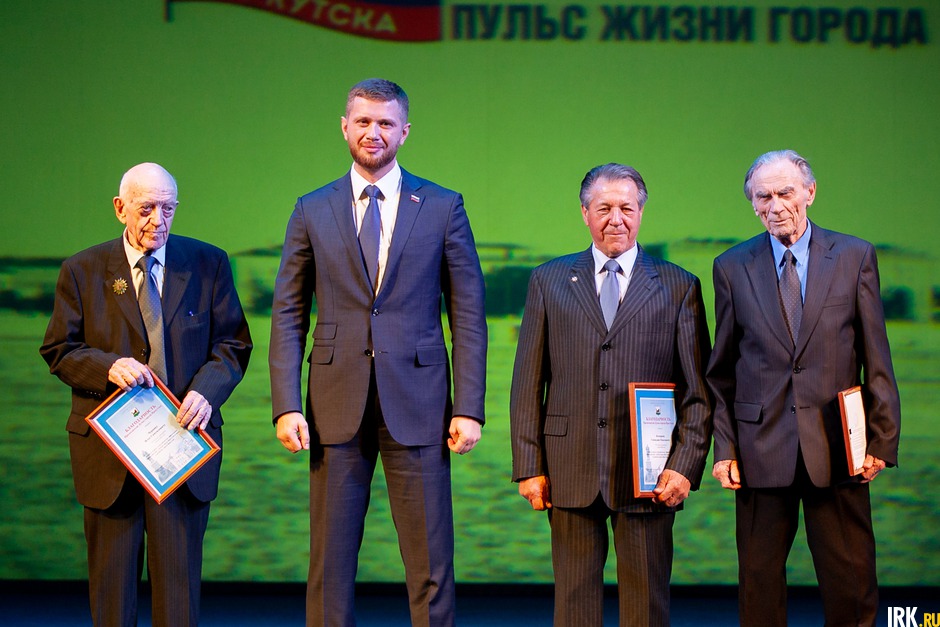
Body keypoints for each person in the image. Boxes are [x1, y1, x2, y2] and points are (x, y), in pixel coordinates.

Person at [269, 78, 487, 627]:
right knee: (331, 563)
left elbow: (467, 314)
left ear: (405, 132)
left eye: (386, 123)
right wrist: (286, 405)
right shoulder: (311, 208)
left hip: (419, 405)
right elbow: (290, 313)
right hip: (334, 406)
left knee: (431, 561)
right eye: (363, 121)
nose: (374, 132)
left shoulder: (442, 206)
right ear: (344, 127)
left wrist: (469, 407)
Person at [40, 162, 253, 626]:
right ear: (120, 209)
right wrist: (107, 367)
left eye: (169, 209)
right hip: (110, 456)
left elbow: (233, 344)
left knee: (178, 601)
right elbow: (59, 349)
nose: (158, 221)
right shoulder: (83, 269)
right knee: (113, 601)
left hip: (181, 449)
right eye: (147, 209)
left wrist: (206, 392)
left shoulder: (208, 263)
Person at [510, 163, 712, 626]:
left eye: (626, 208)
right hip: (568, 470)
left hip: (649, 476)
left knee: (646, 606)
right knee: (574, 605)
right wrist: (529, 466)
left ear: (641, 212)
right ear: (585, 213)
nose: (615, 218)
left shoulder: (680, 286)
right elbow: (527, 383)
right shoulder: (549, 280)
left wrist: (685, 466)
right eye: (604, 208)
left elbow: (698, 393)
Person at [707, 149, 901, 626]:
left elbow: (876, 357)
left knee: (852, 585)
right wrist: (725, 448)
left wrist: (882, 438)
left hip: (839, 448)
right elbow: (722, 369)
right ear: (753, 205)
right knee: (758, 587)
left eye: (785, 193)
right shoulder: (731, 267)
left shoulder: (855, 256)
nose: (775, 206)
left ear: (810, 193)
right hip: (758, 450)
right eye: (763, 197)